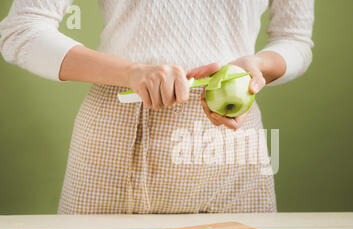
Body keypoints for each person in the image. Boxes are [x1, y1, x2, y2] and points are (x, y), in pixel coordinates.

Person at [0, 0, 314, 214]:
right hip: (115, 142)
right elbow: (21, 31)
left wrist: (257, 66)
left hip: (231, 150)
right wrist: (131, 72)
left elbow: (295, 39)